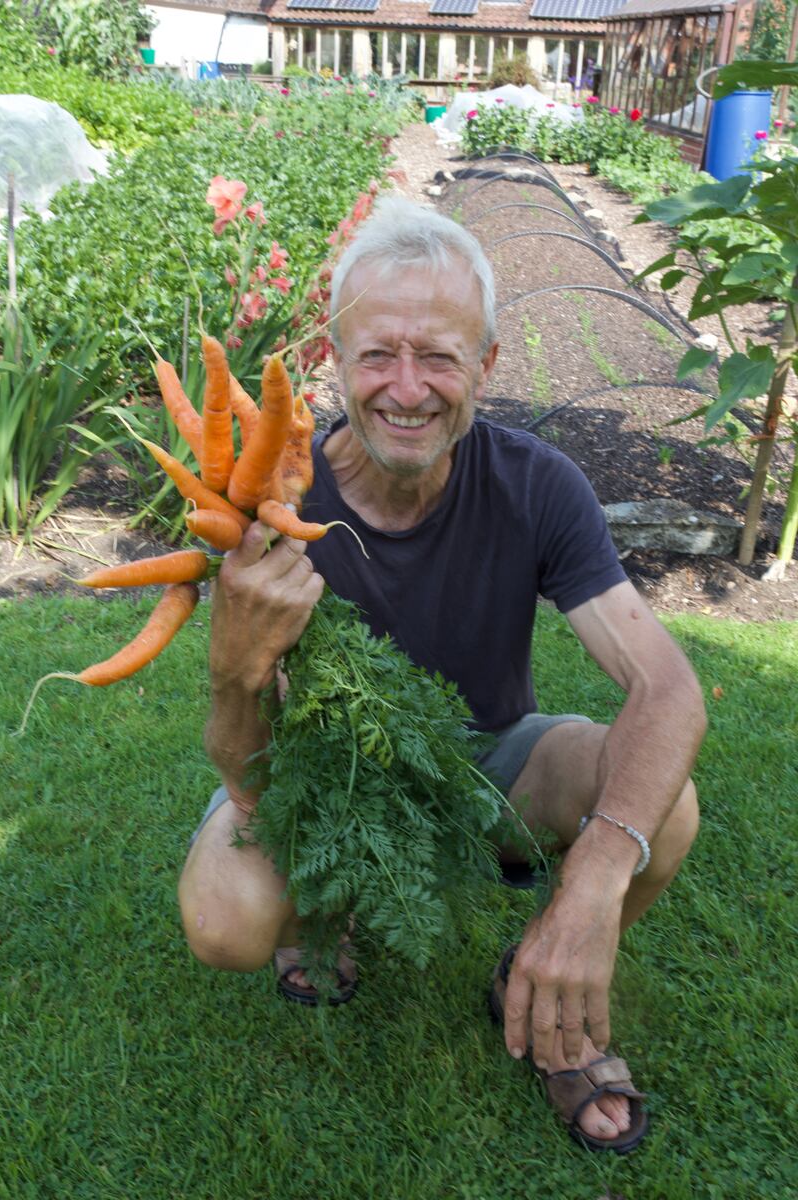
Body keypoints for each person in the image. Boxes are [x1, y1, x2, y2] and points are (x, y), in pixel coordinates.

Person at [178, 196, 705, 1154]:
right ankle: (325, 905)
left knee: (664, 809)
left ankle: (543, 990)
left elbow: (667, 689)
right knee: (224, 917)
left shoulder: (538, 484)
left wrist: (593, 883)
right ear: (336, 360)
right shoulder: (266, 507)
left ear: (488, 365)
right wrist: (231, 673)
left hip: (489, 765)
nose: (407, 388)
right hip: (319, 777)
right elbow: (244, 766)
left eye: (440, 356)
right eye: (378, 354)